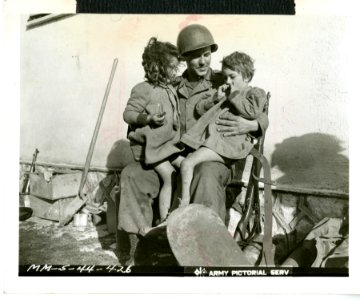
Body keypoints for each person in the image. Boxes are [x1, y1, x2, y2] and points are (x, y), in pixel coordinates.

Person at [117, 24, 269, 264]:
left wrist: (253, 126)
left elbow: (258, 107)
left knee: (205, 174)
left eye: (206, 54)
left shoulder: (223, 80)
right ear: (184, 59)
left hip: (213, 157)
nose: (202, 61)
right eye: (195, 56)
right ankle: (141, 243)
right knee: (132, 174)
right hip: (174, 156)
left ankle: (206, 252)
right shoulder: (170, 85)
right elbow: (140, 107)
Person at [178, 51, 267, 205]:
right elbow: (200, 108)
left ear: (246, 77)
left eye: (232, 77)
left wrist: (233, 97)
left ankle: (182, 204)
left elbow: (254, 112)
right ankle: (178, 210)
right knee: (186, 164)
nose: (227, 81)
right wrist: (216, 98)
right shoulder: (222, 90)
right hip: (213, 143)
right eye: (225, 77)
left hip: (226, 146)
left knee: (187, 164)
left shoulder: (253, 93)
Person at [123, 37, 184, 236]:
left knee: (187, 167)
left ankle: (178, 218)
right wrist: (147, 118)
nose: (175, 72)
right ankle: (164, 224)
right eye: (172, 67)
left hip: (167, 147)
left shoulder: (170, 88)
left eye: (176, 67)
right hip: (150, 148)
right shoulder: (143, 89)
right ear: (157, 67)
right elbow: (128, 114)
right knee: (170, 176)